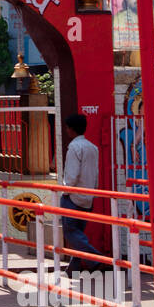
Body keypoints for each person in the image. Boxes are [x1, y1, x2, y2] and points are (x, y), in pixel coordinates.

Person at [60, 113, 104, 274]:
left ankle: (95, 259)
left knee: (71, 232)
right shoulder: (93, 147)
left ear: (70, 129)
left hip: (74, 196)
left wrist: (65, 190)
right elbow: (95, 172)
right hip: (88, 196)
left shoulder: (74, 147)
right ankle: (74, 267)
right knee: (77, 232)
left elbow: (71, 175)